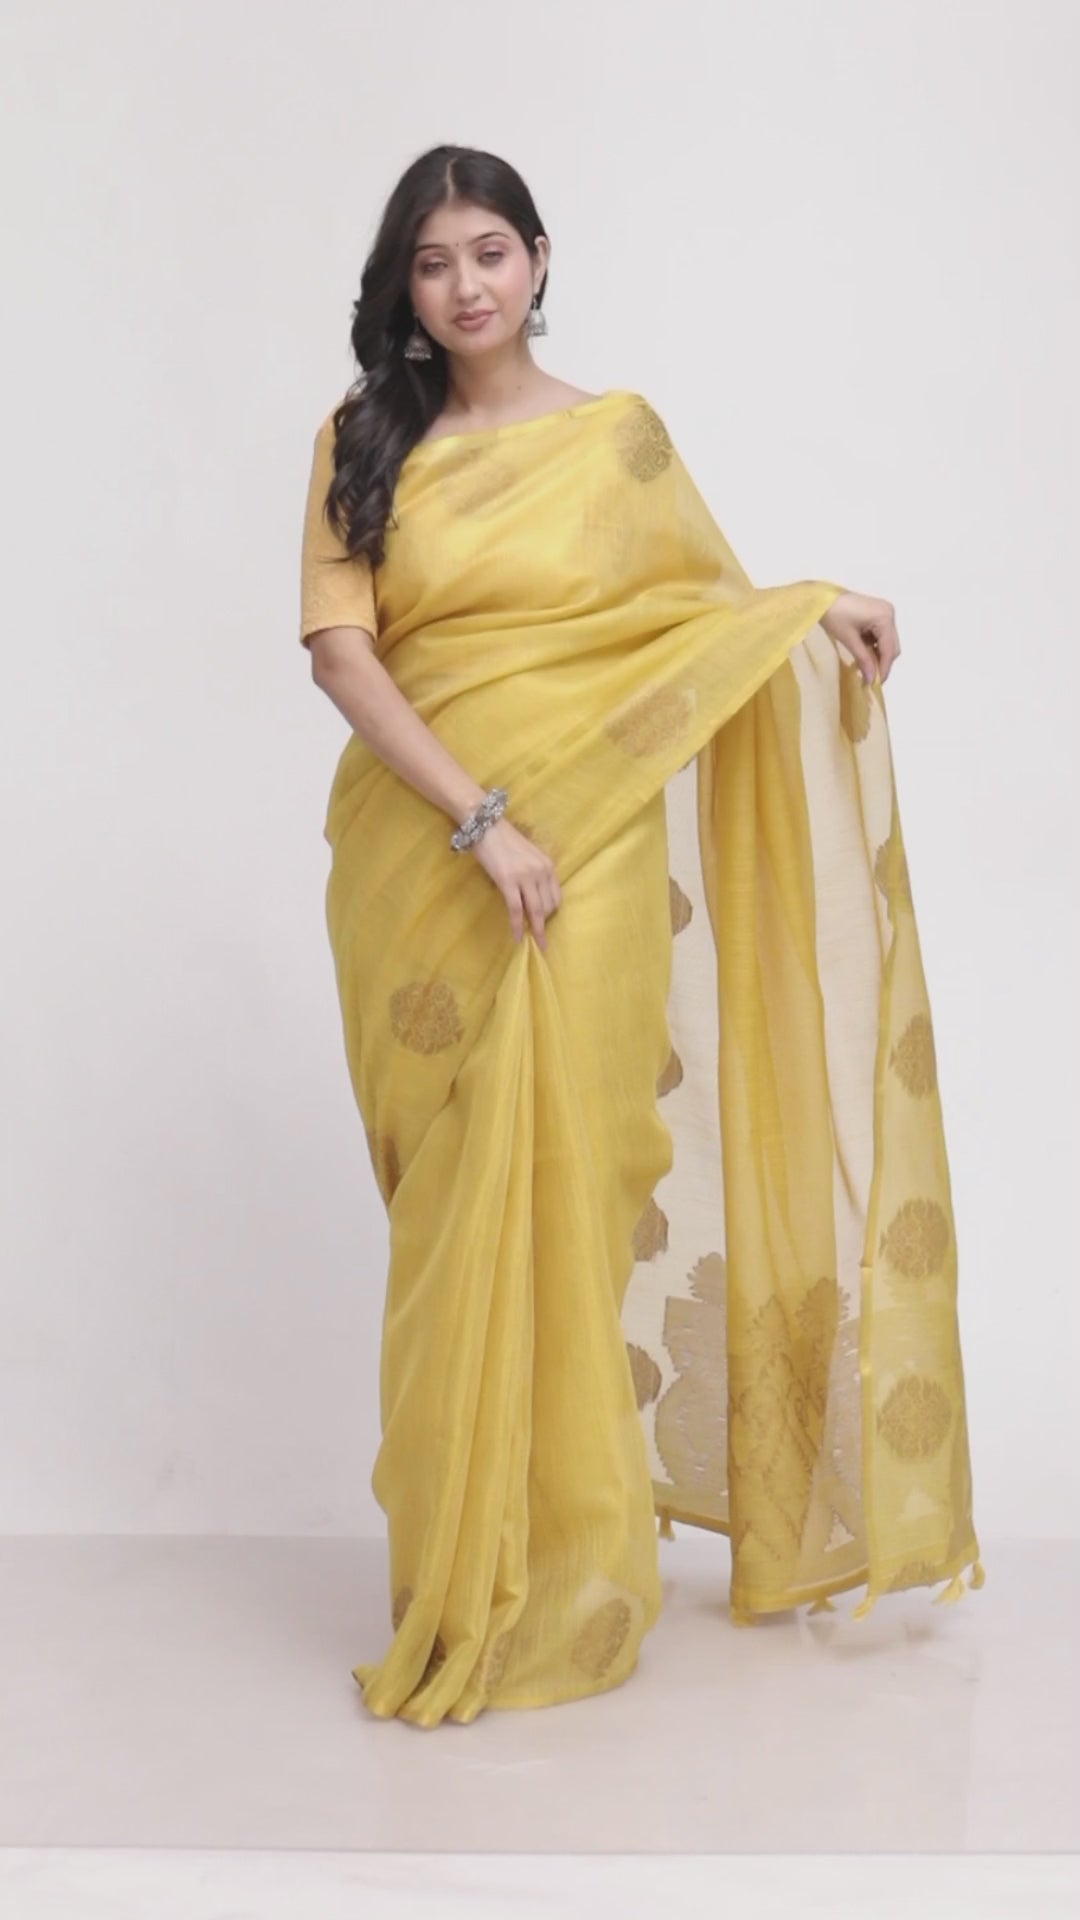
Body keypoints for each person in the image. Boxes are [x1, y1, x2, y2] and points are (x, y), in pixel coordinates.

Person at [298, 144, 983, 1731]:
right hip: (426, 859)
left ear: (539, 259)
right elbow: (341, 651)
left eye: (489, 252)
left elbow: (693, 620)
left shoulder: (618, 440)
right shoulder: (361, 439)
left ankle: (567, 1568)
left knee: (584, 1172)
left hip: (588, 852)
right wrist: (481, 821)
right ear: (404, 286)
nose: (465, 285)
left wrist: (809, 605)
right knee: (455, 1205)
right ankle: (460, 1568)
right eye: (431, 263)